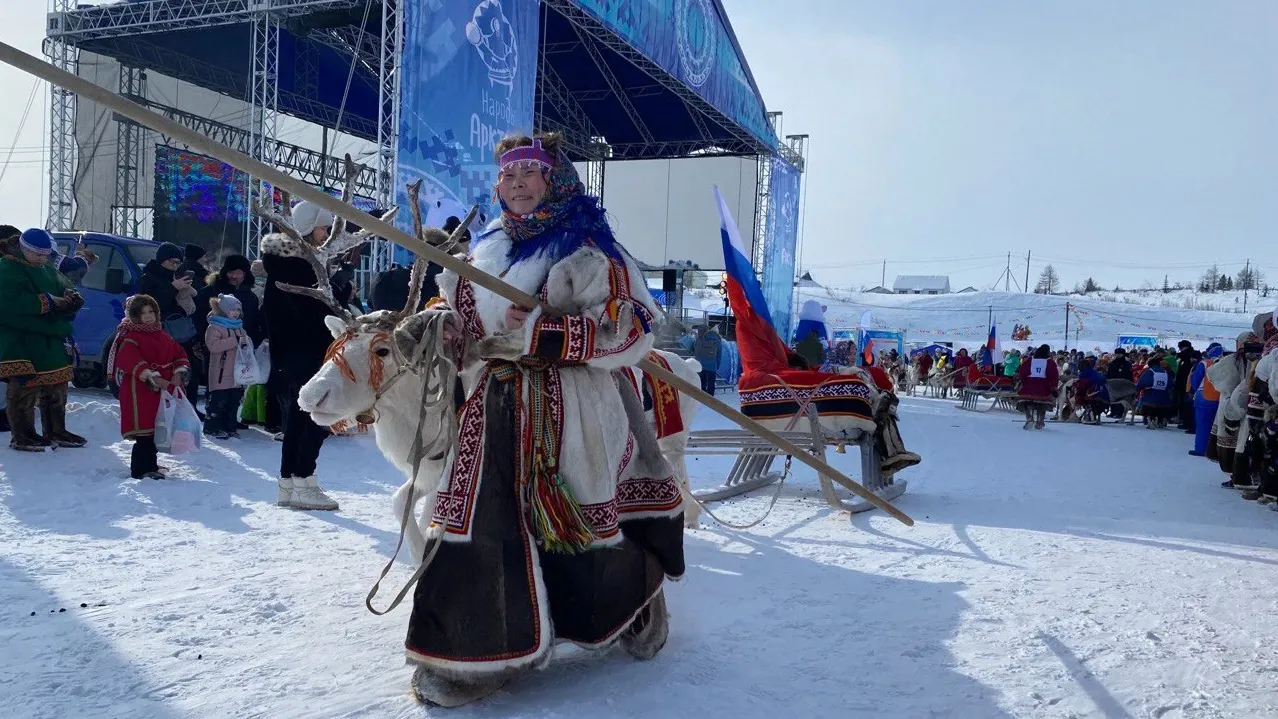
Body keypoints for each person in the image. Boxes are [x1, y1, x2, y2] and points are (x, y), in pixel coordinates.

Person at [403, 132, 684, 706]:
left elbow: (629, 333)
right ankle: (474, 654)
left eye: (528, 173)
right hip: (492, 409)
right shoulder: (485, 251)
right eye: (507, 175)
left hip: (570, 412)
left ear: (553, 179)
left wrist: (541, 328)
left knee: (575, 534)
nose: (515, 184)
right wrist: (447, 328)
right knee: (473, 526)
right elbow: (475, 333)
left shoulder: (590, 249)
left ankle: (636, 594)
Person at [260, 201, 344, 510]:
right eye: (324, 227)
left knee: (299, 417)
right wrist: (339, 295)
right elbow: (316, 312)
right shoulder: (297, 268)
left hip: (294, 354)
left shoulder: (289, 265)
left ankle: (290, 484)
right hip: (307, 353)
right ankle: (303, 480)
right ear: (308, 229)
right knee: (316, 417)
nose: (327, 233)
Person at [0, 228, 85, 451]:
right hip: (20, 338)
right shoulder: (7, 267)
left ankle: (56, 429)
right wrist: (48, 302)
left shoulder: (46, 267)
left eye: (45, 254)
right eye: (37, 254)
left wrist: (71, 296)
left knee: (58, 384)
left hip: (48, 336)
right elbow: (8, 302)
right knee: (24, 386)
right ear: (24, 248)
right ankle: (22, 434)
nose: (41, 258)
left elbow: (64, 283)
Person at [107, 295, 190, 479]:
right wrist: (150, 376)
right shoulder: (130, 336)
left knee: (155, 429)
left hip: (161, 390)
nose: (148, 316)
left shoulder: (161, 333)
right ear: (134, 315)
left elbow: (178, 353)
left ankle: (150, 465)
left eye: (151, 311)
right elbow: (128, 359)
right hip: (141, 390)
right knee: (144, 433)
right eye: (143, 313)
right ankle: (140, 470)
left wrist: (179, 371)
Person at [138, 242, 201, 408]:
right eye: (171, 261)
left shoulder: (175, 277)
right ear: (162, 260)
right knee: (165, 371)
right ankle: (166, 406)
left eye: (178, 262)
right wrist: (173, 288)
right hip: (160, 333)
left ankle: (189, 406)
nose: (174, 265)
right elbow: (149, 305)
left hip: (181, 332)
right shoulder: (148, 278)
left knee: (189, 368)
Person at [203, 295, 250, 440]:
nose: (236, 313)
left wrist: (245, 344)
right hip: (220, 372)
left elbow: (245, 344)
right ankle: (212, 427)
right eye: (232, 310)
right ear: (223, 311)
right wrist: (235, 341)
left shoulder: (239, 328)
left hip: (236, 372)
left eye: (238, 310)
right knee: (218, 401)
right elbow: (213, 346)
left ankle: (230, 427)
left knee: (233, 401)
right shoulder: (214, 327)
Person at [1189, 343, 1223, 456]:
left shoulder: (1204, 363)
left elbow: (1195, 380)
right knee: (1218, 426)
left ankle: (1201, 449)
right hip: (1221, 398)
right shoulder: (1227, 363)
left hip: (1204, 398)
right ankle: (1217, 451)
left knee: (1203, 425)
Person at [1017, 344, 1060, 430]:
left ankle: (1029, 417)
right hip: (1043, 387)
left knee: (1025, 402)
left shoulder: (1030, 360)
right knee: (1042, 404)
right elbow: (1053, 376)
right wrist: (1053, 388)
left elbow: (1023, 372)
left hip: (1029, 386)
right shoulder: (1050, 362)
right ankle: (1040, 421)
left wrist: (1025, 382)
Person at [1135, 355, 1174, 429]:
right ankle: (1160, 420)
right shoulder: (1166, 372)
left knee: (1146, 402)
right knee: (1162, 406)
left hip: (1150, 398)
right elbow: (1171, 384)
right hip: (1164, 399)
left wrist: (1138, 390)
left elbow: (1141, 383)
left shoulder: (1150, 371)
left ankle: (1149, 420)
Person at [693, 325, 723, 395]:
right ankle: (710, 397)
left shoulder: (699, 339)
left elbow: (696, 352)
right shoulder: (717, 339)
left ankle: (702, 396)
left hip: (701, 365)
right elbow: (719, 355)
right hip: (712, 366)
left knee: (702, 382)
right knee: (711, 383)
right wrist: (717, 365)